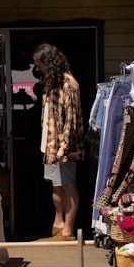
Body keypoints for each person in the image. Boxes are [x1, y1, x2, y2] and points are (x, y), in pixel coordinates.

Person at [32, 43, 84, 241]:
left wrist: (65, 148)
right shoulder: (52, 83)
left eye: (39, 64)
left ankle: (68, 230)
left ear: (49, 63)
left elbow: (71, 120)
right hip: (51, 146)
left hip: (64, 147)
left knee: (69, 184)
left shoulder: (68, 84)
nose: (37, 69)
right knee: (56, 184)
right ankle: (59, 223)